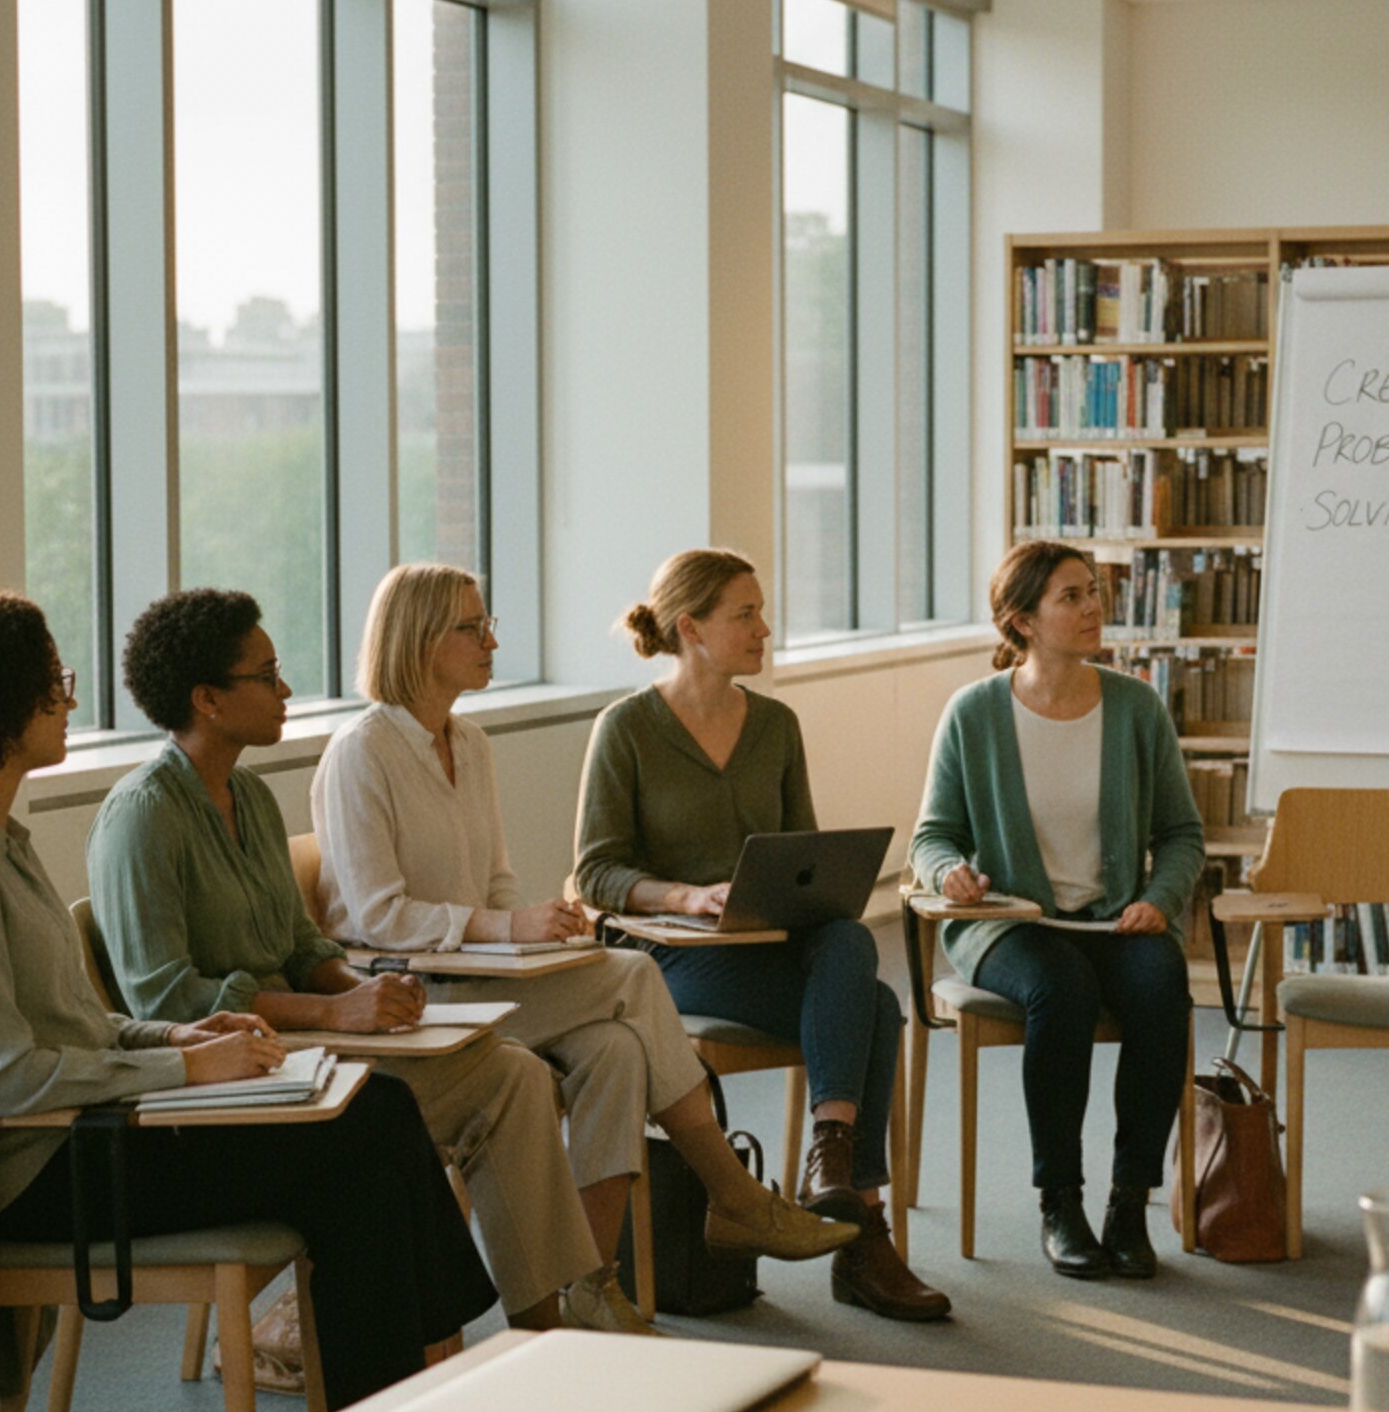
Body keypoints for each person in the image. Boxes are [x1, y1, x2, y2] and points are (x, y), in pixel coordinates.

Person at [0, 591, 493, 1412]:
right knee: (369, 1124)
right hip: (36, 1174)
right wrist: (182, 1069)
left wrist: (182, 1037)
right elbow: (5, 1076)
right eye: (53, 683)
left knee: (365, 1163)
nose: (70, 700)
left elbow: (82, 1024)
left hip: (89, 1133)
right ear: (0, 703)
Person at [310, 564, 857, 1291]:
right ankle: (734, 1194)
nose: (490, 641)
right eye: (471, 628)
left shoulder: (468, 743)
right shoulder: (361, 754)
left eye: (488, 624)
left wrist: (542, 925)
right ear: (416, 641)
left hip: (478, 973)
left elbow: (495, 877)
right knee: (629, 974)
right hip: (409, 994)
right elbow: (379, 917)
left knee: (617, 1050)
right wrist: (510, 928)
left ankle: (588, 1290)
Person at [85, 589, 617, 1334]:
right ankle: (448, 1329)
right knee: (422, 1115)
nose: (286, 690)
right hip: (240, 1071)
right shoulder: (143, 816)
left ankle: (542, 1328)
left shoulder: (250, 796)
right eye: (267, 675)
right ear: (207, 699)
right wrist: (333, 1011)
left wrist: (368, 987)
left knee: (515, 1074)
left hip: (306, 1042)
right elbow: (167, 1000)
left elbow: (303, 948)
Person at [574, 549, 950, 1323]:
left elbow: (804, 853)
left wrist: (807, 889)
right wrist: (685, 894)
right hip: (673, 957)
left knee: (849, 945)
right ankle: (860, 1233)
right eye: (745, 613)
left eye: (761, 611)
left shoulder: (776, 725)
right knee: (875, 1008)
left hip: (768, 948)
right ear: (692, 628)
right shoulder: (626, 729)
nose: (764, 629)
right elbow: (596, 873)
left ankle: (831, 1167)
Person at [910, 541, 1204, 1279]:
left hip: (1115, 919)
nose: (1092, 608)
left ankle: (1129, 1202)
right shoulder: (974, 713)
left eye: (1093, 592)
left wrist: (1159, 901)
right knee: (1062, 989)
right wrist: (950, 875)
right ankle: (1060, 1202)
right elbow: (933, 836)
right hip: (1008, 924)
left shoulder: (1135, 705)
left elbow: (1181, 835)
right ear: (1022, 621)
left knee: (1161, 984)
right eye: (1071, 597)